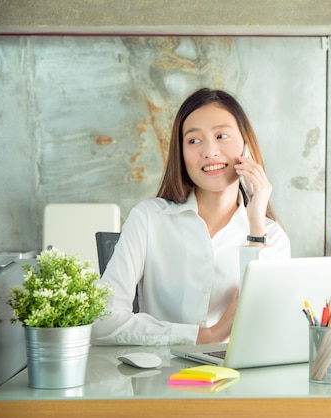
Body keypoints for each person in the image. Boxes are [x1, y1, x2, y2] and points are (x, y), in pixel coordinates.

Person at [91, 88, 291, 346]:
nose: (209, 151)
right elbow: (101, 322)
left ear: (246, 147)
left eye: (221, 136)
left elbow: (267, 332)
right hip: (159, 380)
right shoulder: (149, 218)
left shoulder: (271, 236)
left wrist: (255, 227)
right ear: (181, 154)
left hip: (238, 382)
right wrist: (207, 335)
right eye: (194, 141)